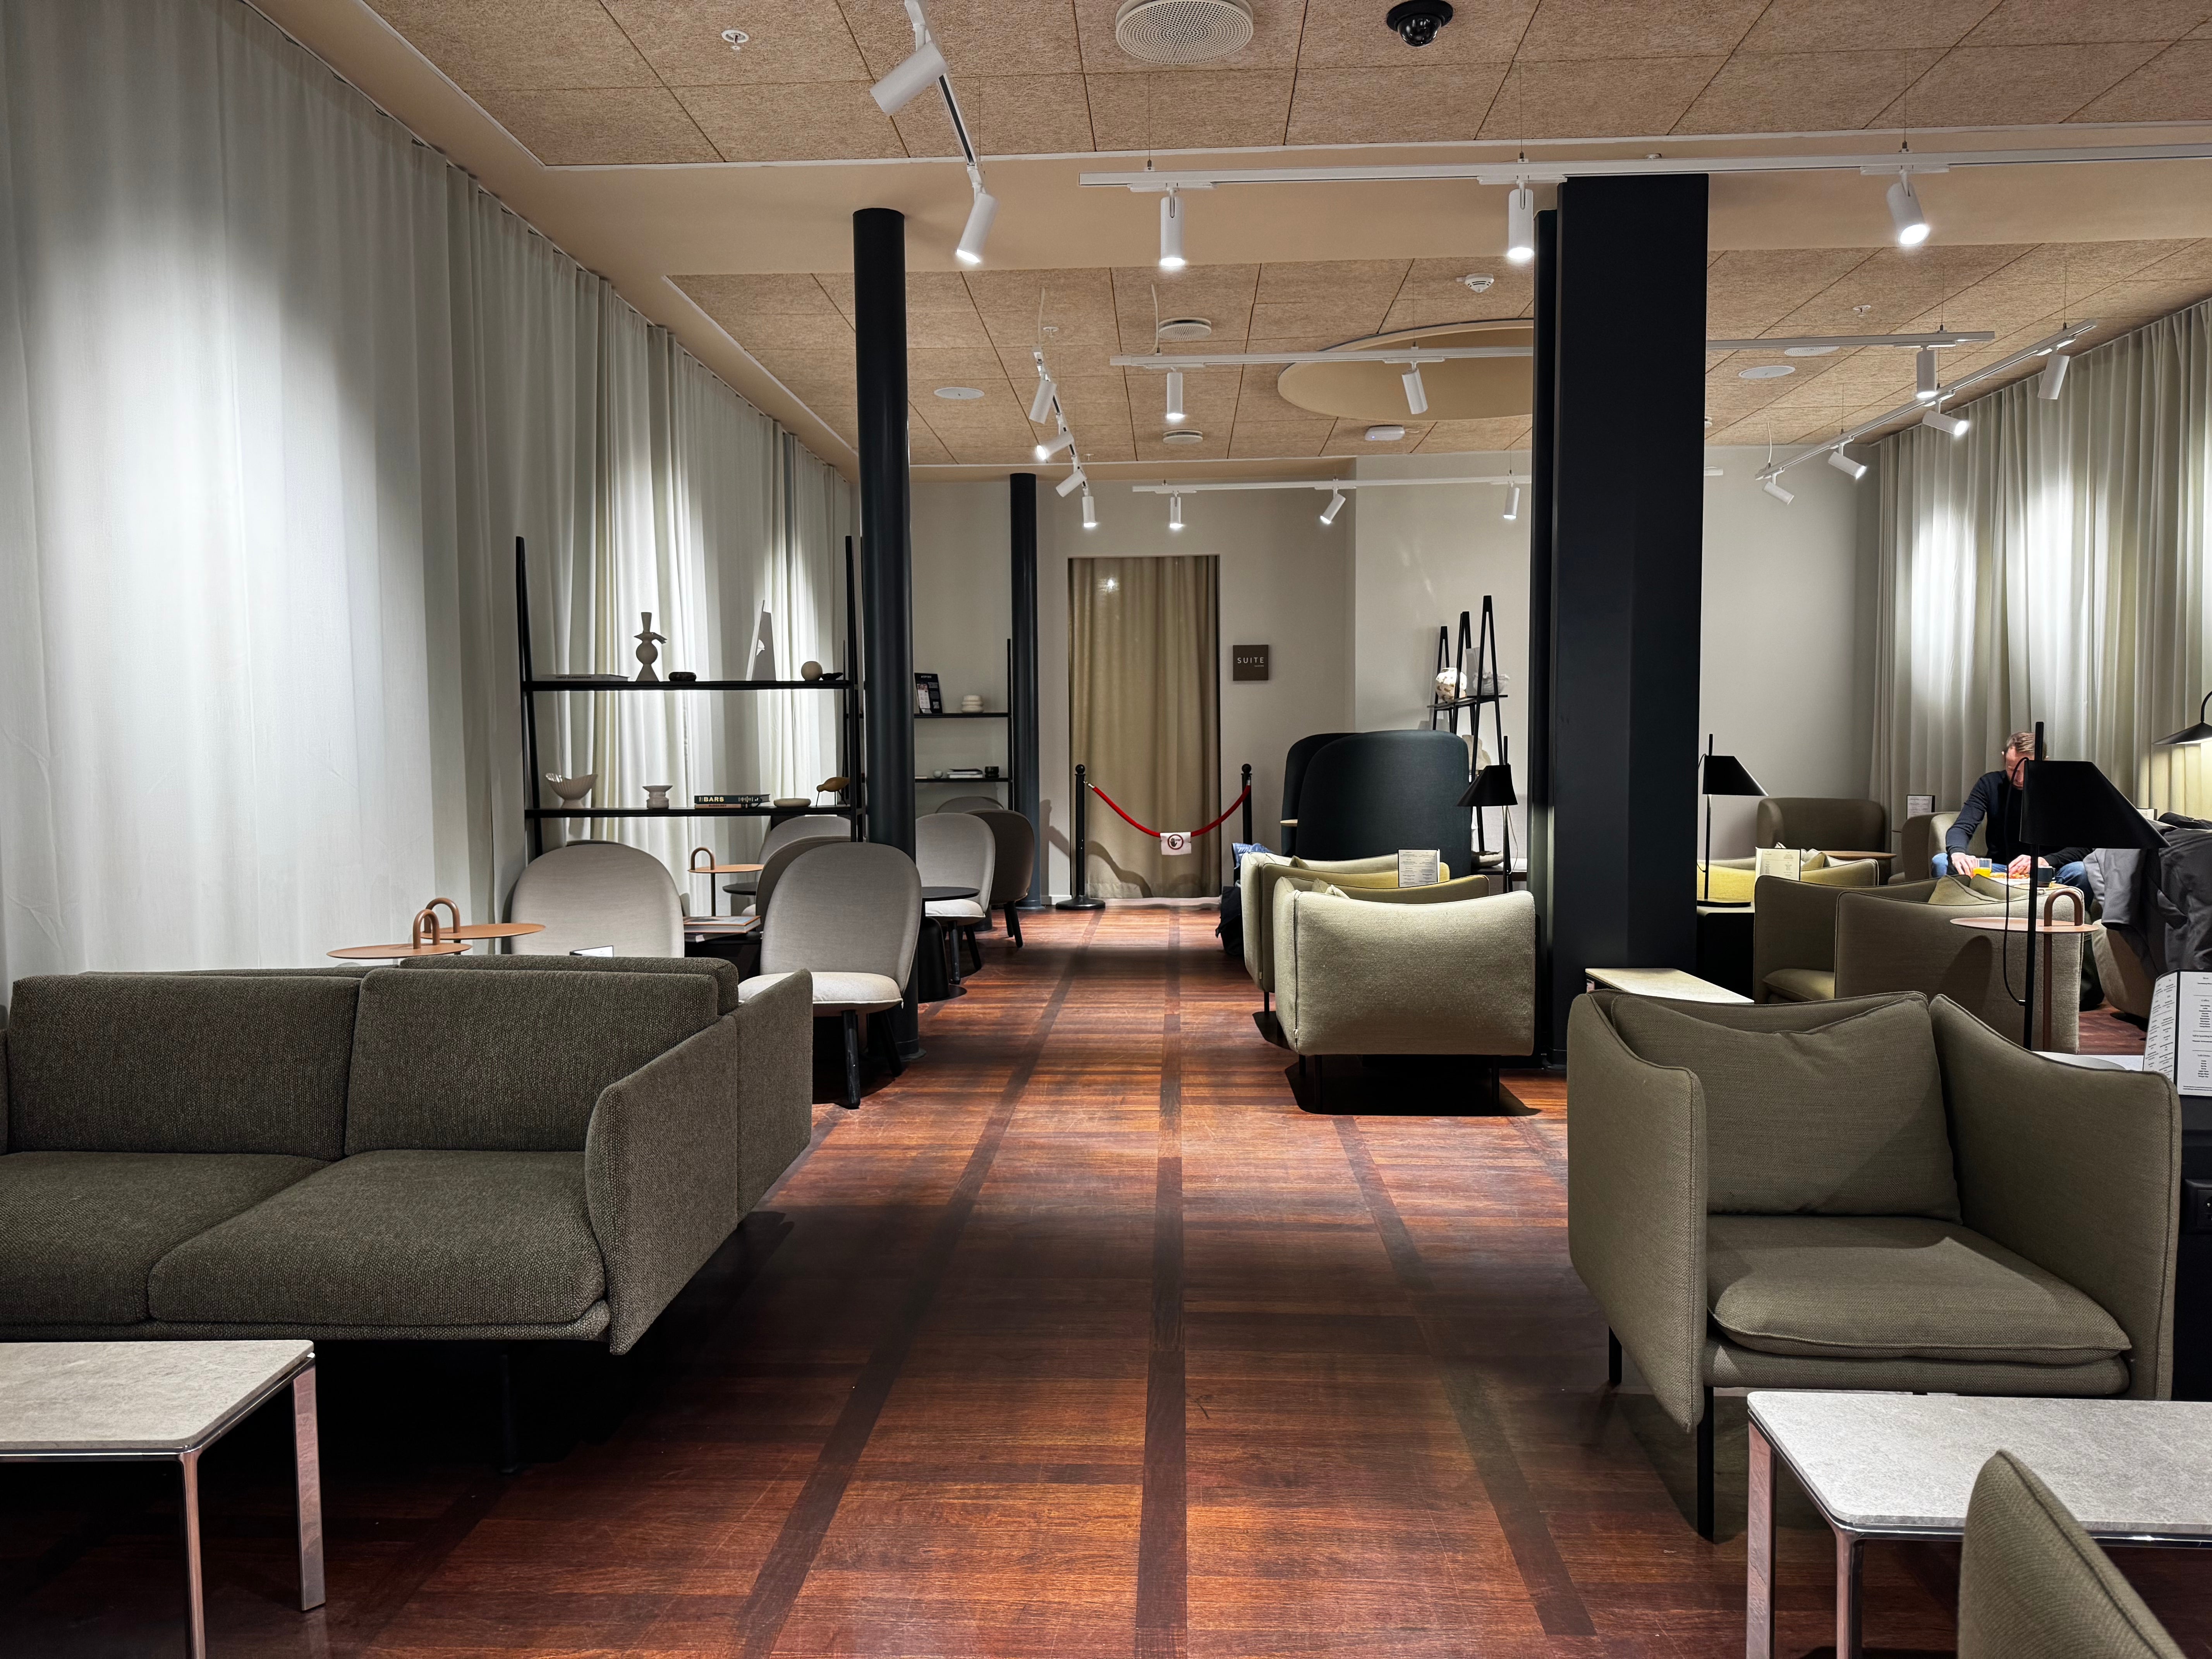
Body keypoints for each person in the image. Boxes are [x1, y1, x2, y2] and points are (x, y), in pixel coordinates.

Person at [1933, 730, 2090, 893]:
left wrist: (2045, 861)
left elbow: (2084, 846)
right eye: (2012, 769)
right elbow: (1962, 827)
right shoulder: (1990, 784)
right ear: (2004, 759)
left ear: (2045, 763)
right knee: (1942, 862)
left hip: (2049, 870)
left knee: (2080, 871)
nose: (2020, 779)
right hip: (2001, 869)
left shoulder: (2064, 788)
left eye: (2028, 770)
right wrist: (1959, 854)